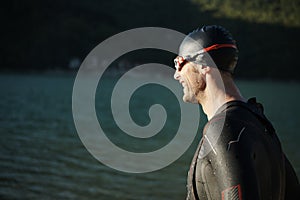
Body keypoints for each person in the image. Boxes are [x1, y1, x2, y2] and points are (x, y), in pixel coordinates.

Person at [173, 25, 299, 200]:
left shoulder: (224, 130)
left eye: (180, 63)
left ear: (204, 65)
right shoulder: (260, 124)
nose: (176, 75)